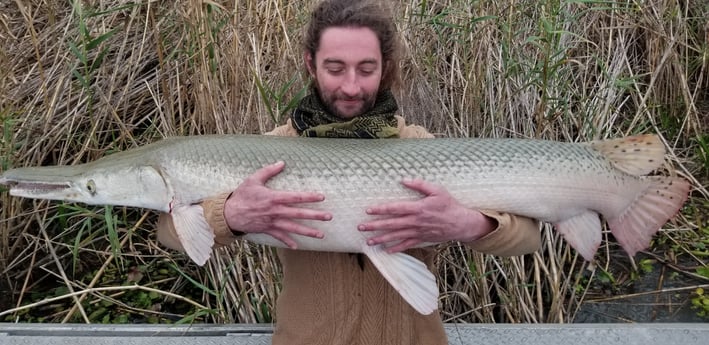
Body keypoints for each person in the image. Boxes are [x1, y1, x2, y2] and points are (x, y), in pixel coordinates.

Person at [157, 0, 541, 344]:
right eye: (335, 68)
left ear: (385, 68)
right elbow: (169, 232)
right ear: (311, 64)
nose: (351, 86)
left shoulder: (420, 144)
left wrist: (467, 225)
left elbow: (527, 238)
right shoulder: (269, 152)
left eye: (366, 68)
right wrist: (229, 216)